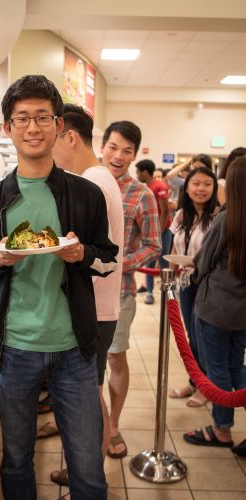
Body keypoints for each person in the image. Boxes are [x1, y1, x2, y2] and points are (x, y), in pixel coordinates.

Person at [0, 75, 118, 500]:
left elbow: (108, 261)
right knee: (16, 460)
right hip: (14, 349)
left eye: (42, 117)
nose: (32, 127)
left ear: (58, 126)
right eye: (22, 118)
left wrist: (80, 255)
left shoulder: (86, 195)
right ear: (8, 128)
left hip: (73, 349)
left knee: (88, 467)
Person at [41, 103, 124, 497]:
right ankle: (83, 474)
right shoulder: (100, 177)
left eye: (51, 138)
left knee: (85, 403)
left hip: (94, 308)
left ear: (68, 136)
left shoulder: (93, 182)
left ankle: (87, 481)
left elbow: (97, 254)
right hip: (97, 306)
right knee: (86, 396)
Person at [101, 121, 161, 458]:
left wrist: (120, 263)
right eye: (113, 146)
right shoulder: (85, 183)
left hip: (120, 293)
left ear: (135, 156)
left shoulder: (142, 194)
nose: (118, 155)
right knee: (79, 362)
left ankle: (112, 425)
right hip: (77, 292)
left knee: (115, 357)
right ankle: (91, 421)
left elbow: (153, 245)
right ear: (103, 145)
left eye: (127, 150)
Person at [183, 156, 246, 453]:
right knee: (237, 365)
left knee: (216, 368)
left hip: (216, 307)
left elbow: (203, 262)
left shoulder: (226, 218)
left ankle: (221, 429)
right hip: (243, 312)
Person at [168, 167, 219, 407]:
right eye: (196, 184)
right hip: (186, 282)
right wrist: (173, 266)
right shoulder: (180, 216)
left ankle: (206, 386)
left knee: (203, 337)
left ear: (214, 188)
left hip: (208, 284)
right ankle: (194, 381)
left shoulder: (217, 217)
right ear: (186, 188)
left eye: (207, 184)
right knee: (190, 335)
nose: (201, 189)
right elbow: (176, 248)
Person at [135, 159, 172, 305]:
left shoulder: (159, 186)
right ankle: (149, 292)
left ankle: (168, 293)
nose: (137, 175)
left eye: (138, 172)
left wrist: (159, 232)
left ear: (145, 172)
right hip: (150, 233)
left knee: (164, 265)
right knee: (149, 264)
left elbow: (165, 211)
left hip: (162, 232)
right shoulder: (146, 187)